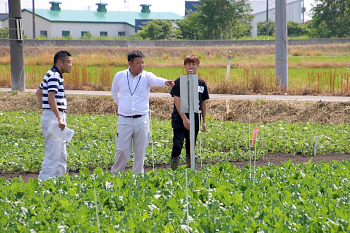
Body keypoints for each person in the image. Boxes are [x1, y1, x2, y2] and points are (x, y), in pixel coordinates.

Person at [111, 50, 175, 174]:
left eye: (143, 62)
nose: (141, 65)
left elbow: (156, 80)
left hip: (142, 119)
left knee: (140, 150)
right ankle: (116, 174)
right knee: (122, 150)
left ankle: (138, 176)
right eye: (138, 63)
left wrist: (166, 82)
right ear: (130, 63)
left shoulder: (147, 76)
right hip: (125, 120)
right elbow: (114, 92)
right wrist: (123, 105)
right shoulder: (120, 76)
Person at [36, 50, 73, 180]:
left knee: (61, 154)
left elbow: (39, 93)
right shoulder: (54, 76)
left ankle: (59, 183)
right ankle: (42, 184)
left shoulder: (51, 74)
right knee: (53, 155)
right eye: (68, 62)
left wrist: (46, 109)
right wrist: (58, 117)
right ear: (60, 62)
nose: (71, 65)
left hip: (52, 115)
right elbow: (52, 99)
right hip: (55, 118)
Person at [169, 54, 210, 170]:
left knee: (191, 146)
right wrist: (184, 119)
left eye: (194, 64)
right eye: (188, 64)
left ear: (198, 66)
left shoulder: (201, 83)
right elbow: (177, 101)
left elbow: (203, 103)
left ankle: (191, 170)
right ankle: (173, 170)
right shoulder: (179, 81)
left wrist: (204, 121)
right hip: (179, 119)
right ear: (185, 66)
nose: (191, 67)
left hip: (195, 119)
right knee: (178, 144)